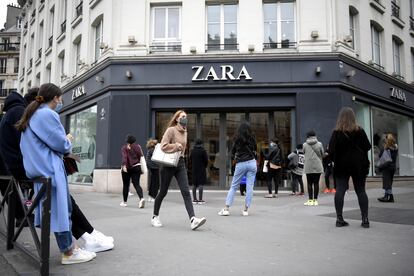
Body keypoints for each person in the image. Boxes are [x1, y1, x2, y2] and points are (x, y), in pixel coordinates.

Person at [0, 89, 114, 253]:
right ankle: (80, 242)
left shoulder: (11, 114)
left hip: (23, 168)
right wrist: (64, 142)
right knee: (62, 202)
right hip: (34, 168)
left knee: (62, 202)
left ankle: (86, 237)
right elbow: (44, 143)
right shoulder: (26, 113)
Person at [16, 83, 96, 264]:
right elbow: (60, 144)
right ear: (56, 98)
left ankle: (70, 248)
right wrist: (67, 139)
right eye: (60, 98)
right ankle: (69, 253)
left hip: (39, 170)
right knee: (62, 210)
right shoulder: (47, 114)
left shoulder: (32, 114)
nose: (61, 101)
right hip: (50, 169)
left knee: (57, 210)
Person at [151, 110, 206, 230]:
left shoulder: (185, 131)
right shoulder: (171, 130)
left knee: (186, 191)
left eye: (186, 116)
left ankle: (193, 219)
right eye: (182, 117)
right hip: (168, 164)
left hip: (180, 163)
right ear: (177, 119)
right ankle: (155, 216)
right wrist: (176, 146)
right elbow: (163, 146)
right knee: (163, 192)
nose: (185, 118)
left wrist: (180, 150)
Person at [328, 107, 371, 228]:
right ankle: (365, 219)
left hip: (342, 165)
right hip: (359, 165)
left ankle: (339, 219)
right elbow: (367, 147)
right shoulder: (360, 131)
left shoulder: (336, 132)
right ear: (353, 117)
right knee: (361, 191)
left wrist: (335, 159)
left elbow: (331, 151)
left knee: (340, 189)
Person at [218, 121, 257, 216]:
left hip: (241, 163)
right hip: (252, 163)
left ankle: (226, 208)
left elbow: (233, 152)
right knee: (250, 187)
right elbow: (255, 149)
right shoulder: (252, 138)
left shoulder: (237, 139)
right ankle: (246, 210)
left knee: (234, 186)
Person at [120, 134, 145, 208]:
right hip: (137, 166)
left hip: (127, 168)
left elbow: (124, 157)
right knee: (137, 184)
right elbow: (140, 156)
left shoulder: (124, 148)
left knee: (126, 185)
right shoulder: (138, 147)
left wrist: (124, 165)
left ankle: (125, 202)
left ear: (127, 141)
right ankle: (141, 198)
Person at [303, 131, 324, 206]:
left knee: (309, 183)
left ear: (307, 136)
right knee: (316, 183)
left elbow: (304, 152)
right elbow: (322, 153)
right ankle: (315, 200)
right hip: (317, 166)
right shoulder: (319, 144)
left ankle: (310, 200)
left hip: (308, 166)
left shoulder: (305, 144)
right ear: (315, 136)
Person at [377, 134, 398, 203]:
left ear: (387, 140)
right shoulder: (395, 147)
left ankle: (389, 197)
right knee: (389, 182)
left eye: (385, 139)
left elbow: (380, 155)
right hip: (393, 167)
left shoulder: (386, 148)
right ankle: (386, 196)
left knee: (387, 183)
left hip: (387, 167)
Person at [190, 138, 208, 204]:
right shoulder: (203, 151)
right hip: (201, 169)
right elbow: (206, 161)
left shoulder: (192, 151)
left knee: (194, 184)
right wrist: (204, 166)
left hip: (194, 169)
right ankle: (200, 200)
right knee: (200, 184)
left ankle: (194, 199)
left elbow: (190, 159)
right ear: (201, 144)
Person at [146, 138, 160, 202]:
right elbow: (157, 158)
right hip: (154, 167)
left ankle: (150, 196)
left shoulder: (150, 149)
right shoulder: (153, 150)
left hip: (151, 167)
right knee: (156, 182)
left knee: (152, 181)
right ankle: (154, 196)